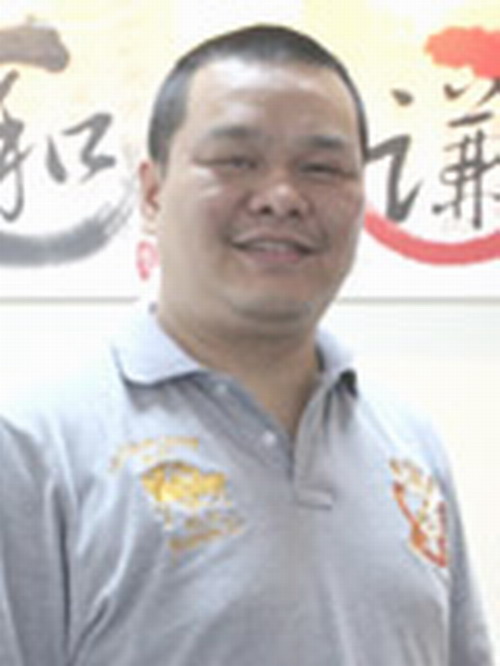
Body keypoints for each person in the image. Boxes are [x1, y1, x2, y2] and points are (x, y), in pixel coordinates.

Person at [0, 24, 493, 666]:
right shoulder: (34, 448)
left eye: (322, 168)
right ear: (152, 192)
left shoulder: (410, 443)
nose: (282, 198)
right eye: (236, 161)